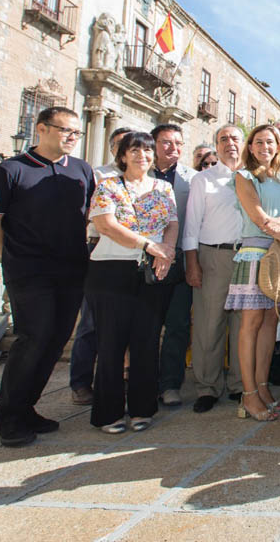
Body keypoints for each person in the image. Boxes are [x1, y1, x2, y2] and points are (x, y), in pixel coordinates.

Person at [0, 107, 95, 447]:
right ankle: (8, 414)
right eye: (65, 130)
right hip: (30, 272)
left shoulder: (81, 171)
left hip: (72, 269)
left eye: (76, 132)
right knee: (33, 338)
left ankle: (27, 407)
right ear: (41, 129)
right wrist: (13, 259)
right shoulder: (10, 171)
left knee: (56, 340)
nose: (72, 137)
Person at [85, 131, 178, 433]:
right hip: (111, 271)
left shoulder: (163, 188)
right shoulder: (108, 186)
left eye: (148, 151)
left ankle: (142, 409)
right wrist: (147, 245)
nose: (143, 156)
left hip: (152, 271)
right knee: (111, 344)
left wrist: (167, 253)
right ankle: (108, 413)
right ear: (122, 155)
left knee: (147, 341)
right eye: (135, 150)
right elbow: (106, 225)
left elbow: (172, 223)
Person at [229, 124, 280, 421]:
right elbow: (260, 220)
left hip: (277, 257)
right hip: (255, 254)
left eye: (270, 142)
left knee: (267, 326)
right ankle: (248, 394)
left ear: (278, 146)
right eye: (259, 142)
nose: (264, 147)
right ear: (250, 147)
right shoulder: (244, 177)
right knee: (250, 325)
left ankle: (262, 386)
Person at [181, 123, 246, 413]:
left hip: (248, 258)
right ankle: (207, 387)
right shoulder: (203, 180)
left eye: (235, 138)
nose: (230, 143)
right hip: (214, 256)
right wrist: (192, 263)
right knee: (209, 324)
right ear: (216, 146)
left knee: (243, 326)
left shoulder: (253, 177)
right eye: (223, 139)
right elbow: (191, 226)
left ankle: (239, 384)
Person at [71, 125, 131, 407]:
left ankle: (120, 376)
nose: (125, 150)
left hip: (134, 253)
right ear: (112, 148)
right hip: (100, 247)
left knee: (128, 320)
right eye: (120, 144)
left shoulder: (148, 178)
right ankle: (81, 382)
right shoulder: (99, 176)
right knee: (91, 320)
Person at [149, 123, 195, 407]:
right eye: (166, 142)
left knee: (177, 325)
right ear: (153, 144)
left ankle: (170, 384)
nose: (173, 148)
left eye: (178, 143)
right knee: (146, 327)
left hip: (179, 259)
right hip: (145, 261)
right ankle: (144, 381)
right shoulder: (138, 175)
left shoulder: (192, 178)